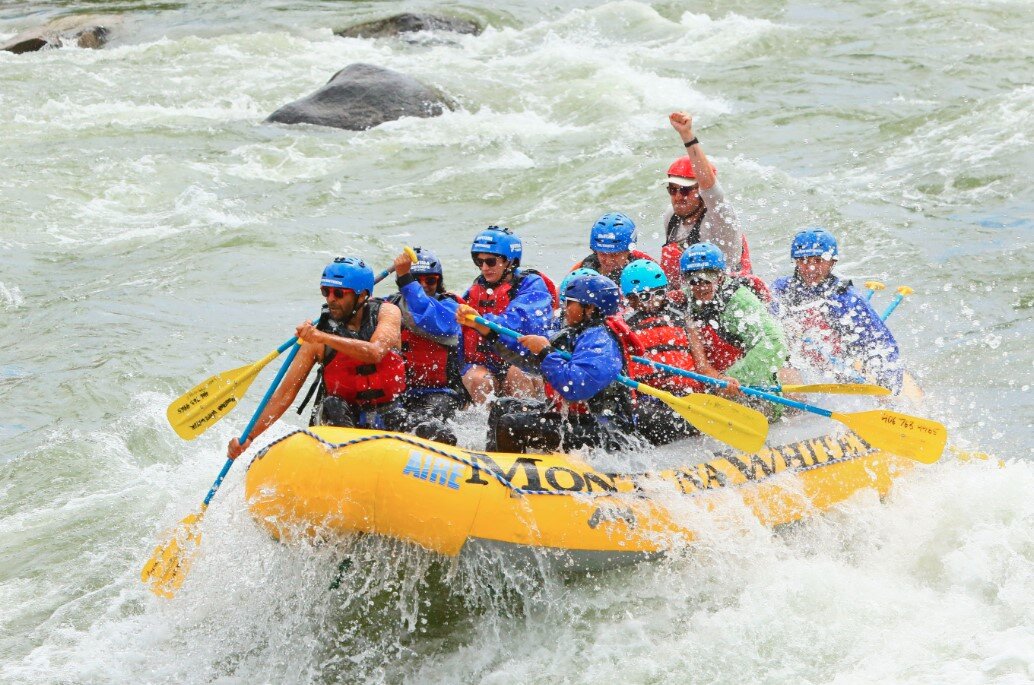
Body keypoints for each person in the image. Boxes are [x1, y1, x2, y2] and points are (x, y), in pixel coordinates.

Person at [227, 257, 405, 459]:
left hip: (386, 412)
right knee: (333, 405)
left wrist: (321, 336)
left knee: (400, 415)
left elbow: (375, 352)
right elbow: (285, 394)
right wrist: (249, 438)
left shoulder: (387, 313)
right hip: (340, 419)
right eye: (326, 291)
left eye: (338, 293)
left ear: (362, 295)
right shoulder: (316, 339)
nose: (330, 299)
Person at [487, 274, 641, 454]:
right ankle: (492, 463)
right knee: (503, 406)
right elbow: (530, 360)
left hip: (606, 431)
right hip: (579, 418)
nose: (564, 308)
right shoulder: (574, 333)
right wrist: (489, 333)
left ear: (589, 308)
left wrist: (546, 352)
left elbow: (575, 387)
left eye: (570, 302)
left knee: (511, 425)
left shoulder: (602, 341)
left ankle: (511, 474)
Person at [771, 228, 903, 392]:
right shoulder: (781, 290)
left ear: (832, 262)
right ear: (796, 262)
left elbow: (881, 344)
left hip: (837, 367)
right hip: (794, 363)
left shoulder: (845, 298)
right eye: (804, 261)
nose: (810, 268)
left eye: (818, 261)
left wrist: (888, 388)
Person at [661, 111, 759, 294]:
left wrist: (687, 136)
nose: (678, 197)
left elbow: (711, 188)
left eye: (685, 190)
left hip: (729, 295)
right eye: (672, 190)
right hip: (694, 292)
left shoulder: (721, 218)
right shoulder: (671, 217)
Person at [455, 226, 556, 403]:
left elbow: (520, 323)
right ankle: (483, 428)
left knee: (516, 373)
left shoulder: (532, 285)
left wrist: (481, 322)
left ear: (510, 262)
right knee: (478, 379)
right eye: (479, 262)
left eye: (491, 261)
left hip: (523, 362)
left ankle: (526, 423)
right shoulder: (476, 288)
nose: (485, 268)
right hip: (487, 363)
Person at [680, 243, 788, 402]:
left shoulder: (740, 302)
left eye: (707, 279)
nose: (701, 287)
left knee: (793, 398)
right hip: (723, 373)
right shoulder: (688, 304)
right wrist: (720, 379)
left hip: (761, 359)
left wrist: (735, 378)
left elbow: (775, 342)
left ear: (720, 276)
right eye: (693, 280)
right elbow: (701, 365)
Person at [385, 247, 467, 445]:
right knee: (394, 419)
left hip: (442, 393)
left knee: (426, 423)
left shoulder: (452, 308)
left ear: (439, 281)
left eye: (430, 280)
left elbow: (427, 318)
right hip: (403, 392)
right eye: (417, 280)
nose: (424, 286)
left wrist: (406, 279)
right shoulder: (389, 307)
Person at [620, 259, 701, 445]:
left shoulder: (682, 318)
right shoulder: (624, 326)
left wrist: (723, 381)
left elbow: (702, 365)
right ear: (631, 298)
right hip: (649, 398)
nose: (654, 301)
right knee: (647, 417)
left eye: (659, 293)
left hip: (685, 396)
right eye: (646, 296)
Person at [573, 212, 656, 284]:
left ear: (628, 251)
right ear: (595, 251)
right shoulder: (583, 267)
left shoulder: (644, 271)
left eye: (615, 254)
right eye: (602, 254)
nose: (608, 261)